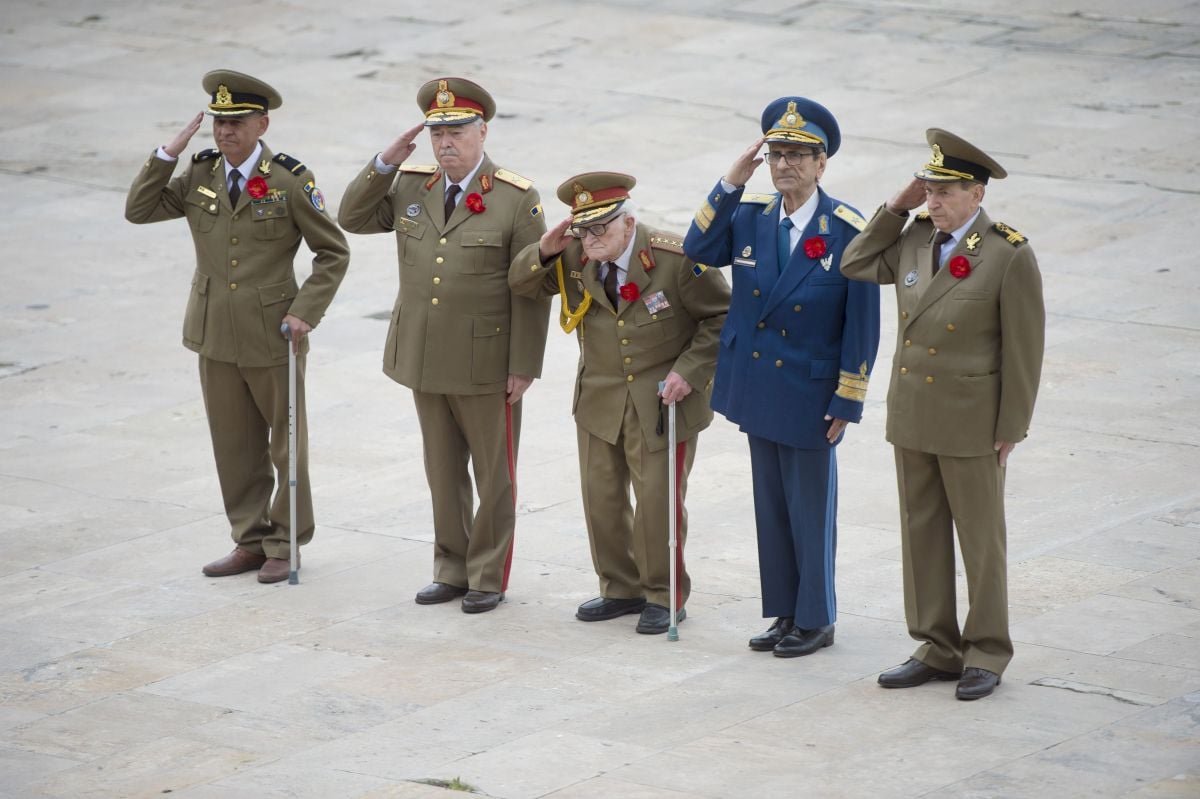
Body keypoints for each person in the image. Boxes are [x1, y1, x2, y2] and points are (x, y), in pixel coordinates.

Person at [841, 128, 1045, 700]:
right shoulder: (914, 238)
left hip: (971, 421)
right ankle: (936, 645)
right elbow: (855, 262)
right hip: (914, 414)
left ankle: (987, 651)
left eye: (945, 192)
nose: (933, 202)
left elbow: (1024, 349)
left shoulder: (1007, 254)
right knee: (921, 534)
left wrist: (1011, 427)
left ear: (977, 194)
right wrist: (894, 207)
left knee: (981, 542)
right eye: (928, 190)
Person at [125, 70, 350, 583]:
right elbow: (139, 210)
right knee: (233, 443)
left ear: (261, 124)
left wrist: (305, 311)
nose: (225, 132)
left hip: (273, 331)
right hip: (214, 331)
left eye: (237, 123)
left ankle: (285, 543)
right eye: (219, 123)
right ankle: (249, 538)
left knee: (285, 444)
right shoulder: (199, 173)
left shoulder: (289, 180)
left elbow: (333, 252)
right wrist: (167, 154)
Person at [338, 78, 550, 614]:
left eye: (456, 131)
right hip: (424, 355)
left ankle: (487, 575)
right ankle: (451, 568)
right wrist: (385, 163)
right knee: (442, 470)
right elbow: (353, 218)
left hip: (486, 360)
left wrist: (524, 364)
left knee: (494, 476)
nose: (445, 143)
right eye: (437, 133)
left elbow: (533, 286)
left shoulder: (515, 198)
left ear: (483, 132)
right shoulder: (413, 185)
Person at [683, 97, 880, 656]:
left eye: (797, 155)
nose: (784, 165)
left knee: (810, 511)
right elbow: (698, 249)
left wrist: (848, 400)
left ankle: (816, 620)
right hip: (758, 388)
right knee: (770, 509)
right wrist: (731, 182)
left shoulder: (847, 230)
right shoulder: (752, 215)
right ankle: (785, 612)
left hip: (811, 393)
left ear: (822, 163)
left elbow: (863, 325)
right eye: (776, 155)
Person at [509, 173, 730, 634]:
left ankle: (664, 594)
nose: (590, 239)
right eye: (582, 229)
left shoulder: (676, 257)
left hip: (662, 401)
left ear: (628, 224)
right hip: (599, 396)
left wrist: (688, 372)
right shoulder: (575, 253)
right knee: (601, 499)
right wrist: (545, 250)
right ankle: (619, 587)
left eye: (600, 228)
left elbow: (723, 317)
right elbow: (521, 283)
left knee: (657, 503)